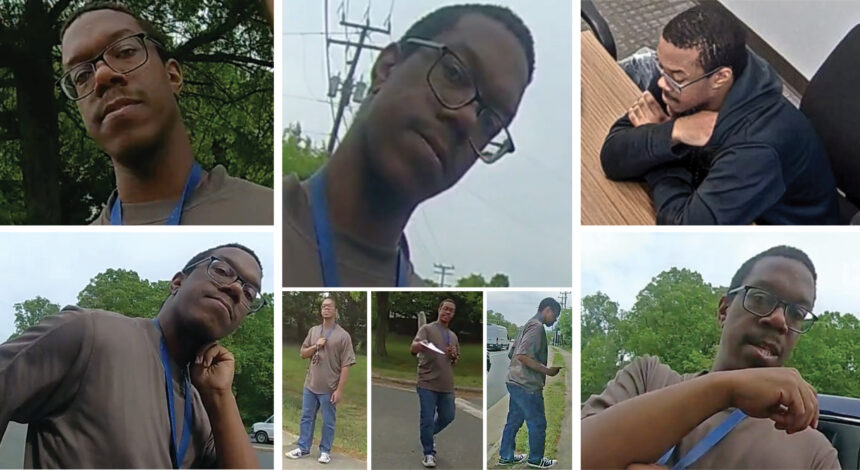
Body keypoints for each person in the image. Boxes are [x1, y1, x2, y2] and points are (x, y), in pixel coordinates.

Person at [283, 4, 535, 286]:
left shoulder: (424, 305)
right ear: (387, 68)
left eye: (490, 122)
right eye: (454, 73)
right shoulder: (235, 209)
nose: (466, 119)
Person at [0, 243, 267, 468]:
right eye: (222, 271)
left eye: (249, 294)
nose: (235, 290)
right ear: (177, 282)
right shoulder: (92, 333)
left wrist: (221, 396)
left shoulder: (202, 408)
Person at [581, 246, 840, 469]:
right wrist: (726, 389)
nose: (779, 320)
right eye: (760, 298)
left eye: (797, 312)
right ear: (724, 310)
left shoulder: (815, 454)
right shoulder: (648, 377)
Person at [599, 4, 839, 225]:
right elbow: (611, 157)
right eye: (661, 66)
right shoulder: (680, 81)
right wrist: (675, 131)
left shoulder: (758, 148)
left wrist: (663, 151)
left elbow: (684, 232)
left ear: (720, 78)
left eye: (675, 76)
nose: (661, 81)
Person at [59, 2, 273, 225]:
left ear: (172, 76)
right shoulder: (85, 249)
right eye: (81, 75)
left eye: (125, 51)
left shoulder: (273, 217)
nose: (101, 76)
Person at [286, 297, 356, 464]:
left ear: (335, 311)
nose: (326, 309)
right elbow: (303, 354)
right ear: (320, 310)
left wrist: (339, 390)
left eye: (329, 306)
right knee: (306, 417)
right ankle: (303, 448)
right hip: (310, 385)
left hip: (329, 387)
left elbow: (347, 364)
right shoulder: (313, 331)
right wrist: (316, 346)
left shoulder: (343, 336)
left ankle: (325, 451)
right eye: (323, 306)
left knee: (328, 421)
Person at [498, 298, 561, 469]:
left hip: (515, 381)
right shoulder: (537, 327)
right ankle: (535, 459)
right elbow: (522, 356)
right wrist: (547, 371)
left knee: (514, 420)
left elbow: (512, 353)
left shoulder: (526, 325)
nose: (555, 320)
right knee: (538, 423)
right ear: (547, 310)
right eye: (555, 315)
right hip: (527, 385)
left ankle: (506, 456)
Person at [410, 299, 461, 467]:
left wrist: (454, 355)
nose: (447, 312)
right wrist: (421, 345)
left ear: (453, 314)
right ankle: (428, 453)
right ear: (439, 310)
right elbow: (413, 347)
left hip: (446, 385)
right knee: (427, 419)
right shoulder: (427, 329)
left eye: (451, 311)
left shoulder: (453, 336)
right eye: (445, 309)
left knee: (448, 416)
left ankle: (427, 436)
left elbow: (455, 361)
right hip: (427, 383)